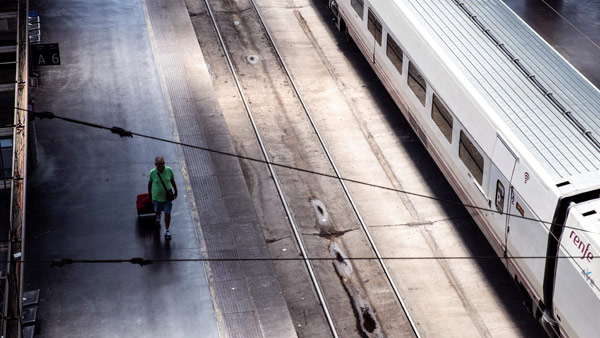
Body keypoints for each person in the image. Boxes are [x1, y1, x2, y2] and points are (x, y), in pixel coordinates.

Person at [148, 156, 178, 239]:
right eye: (159, 164)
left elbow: (172, 181)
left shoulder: (169, 170)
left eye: (162, 163)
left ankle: (167, 230)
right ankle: (158, 216)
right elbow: (150, 184)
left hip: (167, 198)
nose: (161, 165)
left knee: (167, 213)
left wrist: (176, 191)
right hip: (156, 197)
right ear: (155, 164)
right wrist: (149, 195)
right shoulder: (152, 172)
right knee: (157, 210)